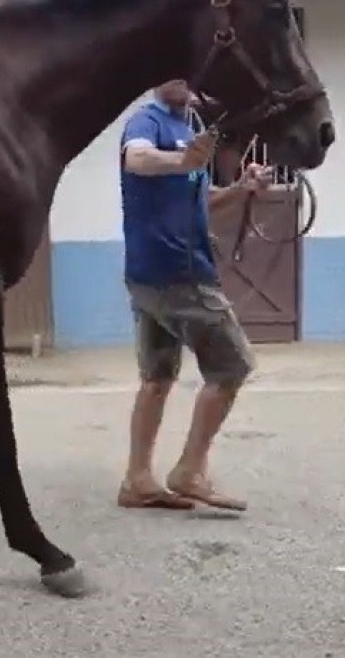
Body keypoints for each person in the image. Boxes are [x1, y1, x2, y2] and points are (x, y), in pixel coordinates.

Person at [116, 79, 271, 512]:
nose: (179, 80)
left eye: (185, 71)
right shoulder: (148, 121)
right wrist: (181, 158)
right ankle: (189, 470)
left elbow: (198, 200)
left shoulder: (194, 125)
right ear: (153, 79)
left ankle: (137, 479)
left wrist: (241, 189)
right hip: (178, 273)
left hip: (149, 273)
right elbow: (137, 158)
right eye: (168, 71)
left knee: (157, 377)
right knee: (232, 366)